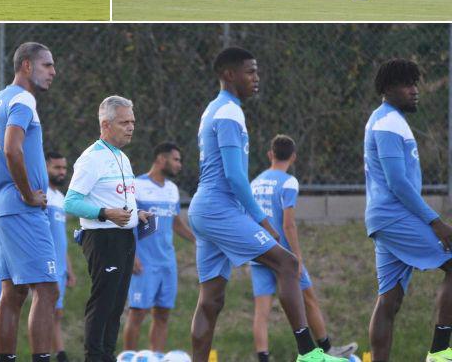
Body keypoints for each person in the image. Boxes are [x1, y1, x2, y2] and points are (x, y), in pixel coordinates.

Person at [187, 47, 344, 361]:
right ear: (229, 75)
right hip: (219, 208)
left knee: (211, 300)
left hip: (203, 208)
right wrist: (262, 220)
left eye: (256, 72)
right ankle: (310, 354)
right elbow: (234, 176)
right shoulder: (230, 111)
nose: (256, 78)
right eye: (250, 72)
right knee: (288, 264)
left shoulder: (213, 109)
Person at [0, 42, 58, 362]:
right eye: (47, 65)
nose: (53, 71)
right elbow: (11, 149)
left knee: (12, 292)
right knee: (47, 289)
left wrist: (0, 188)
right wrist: (26, 192)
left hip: (1, 208)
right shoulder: (22, 100)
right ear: (27, 66)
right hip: (21, 209)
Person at [365, 59, 452, 362]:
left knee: (390, 299)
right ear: (388, 89)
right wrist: (435, 222)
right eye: (407, 85)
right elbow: (398, 182)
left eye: (416, 83)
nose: (415, 91)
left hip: (384, 218)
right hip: (394, 215)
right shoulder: (389, 122)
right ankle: (441, 353)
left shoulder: (384, 118)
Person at [250, 135, 357, 361]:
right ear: (294, 157)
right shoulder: (289, 182)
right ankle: (326, 349)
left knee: (262, 311)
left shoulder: (255, 182)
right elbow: (288, 224)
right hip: (283, 256)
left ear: (270, 154)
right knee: (308, 297)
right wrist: (297, 256)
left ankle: (263, 358)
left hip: (259, 252)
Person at [64, 96, 150, 362]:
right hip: (102, 238)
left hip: (125, 237)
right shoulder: (91, 158)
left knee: (116, 303)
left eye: (132, 121)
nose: (131, 127)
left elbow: (118, 198)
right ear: (105, 124)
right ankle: (94, 356)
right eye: (124, 122)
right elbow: (71, 202)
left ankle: (107, 355)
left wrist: (138, 214)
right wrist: (105, 214)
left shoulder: (122, 157)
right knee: (103, 300)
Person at [122, 141, 196, 354]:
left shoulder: (172, 190)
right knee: (137, 313)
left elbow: (175, 222)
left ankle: (157, 357)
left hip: (167, 263)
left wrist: (196, 240)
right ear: (161, 159)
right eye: (176, 160)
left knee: (162, 314)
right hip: (144, 261)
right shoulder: (136, 185)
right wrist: (131, 254)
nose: (179, 165)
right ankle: (129, 358)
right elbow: (125, 223)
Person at [46, 151, 76, 362]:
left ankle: (60, 355)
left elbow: (60, 238)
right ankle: (45, 355)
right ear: (45, 167)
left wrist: (69, 269)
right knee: (46, 313)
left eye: (64, 168)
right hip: (45, 266)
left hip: (60, 267)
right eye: (57, 168)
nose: (62, 172)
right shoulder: (40, 195)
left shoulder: (60, 198)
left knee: (57, 313)